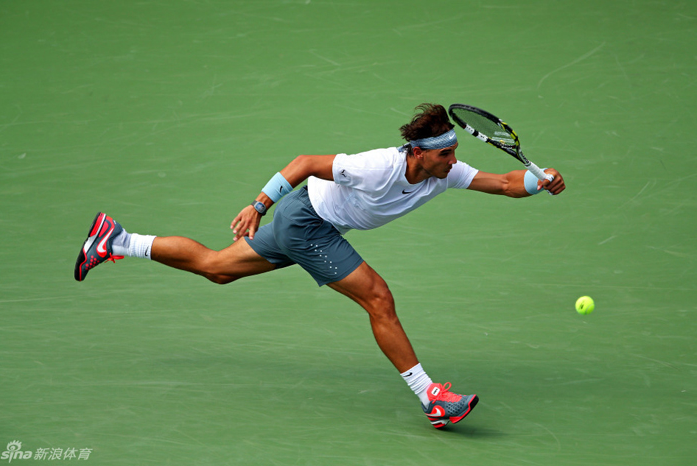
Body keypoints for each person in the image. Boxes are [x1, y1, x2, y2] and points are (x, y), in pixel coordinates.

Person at [74, 103, 565, 429]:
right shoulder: (377, 167)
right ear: (418, 154)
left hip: (309, 223)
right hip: (306, 222)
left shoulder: (444, 173)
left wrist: (539, 182)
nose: (454, 159)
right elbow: (305, 161)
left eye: (453, 151)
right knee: (379, 299)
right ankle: (431, 396)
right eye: (446, 153)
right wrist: (259, 204)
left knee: (217, 268)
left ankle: (118, 240)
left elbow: (502, 182)